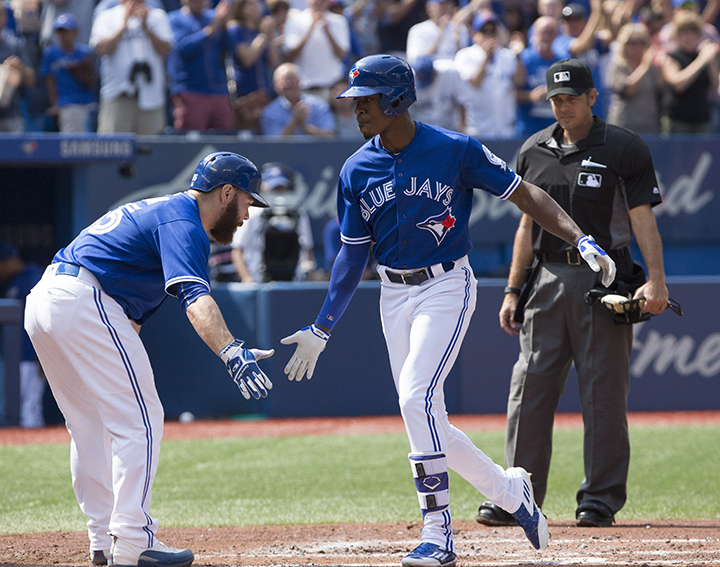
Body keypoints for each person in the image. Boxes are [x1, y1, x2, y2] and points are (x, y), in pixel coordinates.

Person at [280, 53, 617, 567]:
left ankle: (438, 533)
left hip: (445, 286)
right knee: (424, 414)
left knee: (416, 398)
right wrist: (322, 328)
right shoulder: (356, 168)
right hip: (392, 294)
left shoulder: (453, 149)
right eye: (354, 101)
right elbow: (352, 254)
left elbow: (523, 192)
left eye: (366, 100)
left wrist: (581, 238)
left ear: (395, 99)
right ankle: (510, 492)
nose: (356, 110)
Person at [24, 152, 275, 567]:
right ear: (226, 192)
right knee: (140, 420)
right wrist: (232, 352)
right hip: (82, 300)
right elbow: (196, 300)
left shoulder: (165, 212)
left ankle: (104, 538)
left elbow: (130, 323)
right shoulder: (184, 221)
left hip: (48, 301)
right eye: (248, 200)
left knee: (91, 425)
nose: (248, 213)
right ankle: (133, 541)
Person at [475, 58, 668, 530]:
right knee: (529, 388)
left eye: (572, 99)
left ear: (592, 98)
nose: (563, 107)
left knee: (603, 393)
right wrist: (512, 290)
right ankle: (516, 495)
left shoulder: (624, 146)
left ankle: (599, 499)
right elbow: (526, 222)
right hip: (546, 278)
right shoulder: (533, 149)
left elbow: (642, 217)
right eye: (556, 100)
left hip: (605, 281)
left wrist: (657, 280)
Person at [90, 0, 173, 135]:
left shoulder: (157, 16)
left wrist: (146, 27)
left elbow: (165, 51)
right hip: (117, 94)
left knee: (152, 150)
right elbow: (101, 50)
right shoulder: (107, 16)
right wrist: (123, 25)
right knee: (114, 148)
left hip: (152, 96)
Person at [231, 162, 316, 282]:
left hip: (294, 282)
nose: (278, 192)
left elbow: (308, 249)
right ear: (264, 188)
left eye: (281, 188)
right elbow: (237, 251)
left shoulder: (299, 214)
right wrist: (246, 278)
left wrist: (309, 275)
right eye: (274, 188)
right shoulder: (253, 213)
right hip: (259, 282)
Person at [167, 0, 235, 132]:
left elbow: (230, 48)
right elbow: (183, 49)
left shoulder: (213, 17)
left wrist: (225, 26)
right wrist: (210, 30)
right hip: (190, 91)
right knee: (191, 142)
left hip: (219, 91)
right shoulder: (174, 19)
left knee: (224, 140)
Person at [454, 12, 522, 139]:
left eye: (493, 31)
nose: (489, 35)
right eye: (484, 31)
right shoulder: (465, 55)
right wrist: (486, 57)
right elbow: (475, 82)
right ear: (475, 35)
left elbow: (520, 81)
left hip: (505, 130)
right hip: (478, 130)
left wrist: (518, 55)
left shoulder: (507, 55)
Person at [0, 243, 45, 428]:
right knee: (15, 412)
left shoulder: (34, 277)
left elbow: (45, 317)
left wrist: (43, 354)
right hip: (14, 356)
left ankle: (36, 451)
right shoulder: (16, 280)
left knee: (28, 412)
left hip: (30, 357)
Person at [660, 10, 720, 134]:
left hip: (701, 119)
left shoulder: (704, 56)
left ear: (697, 33)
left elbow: (715, 85)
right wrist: (701, 60)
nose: (687, 35)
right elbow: (678, 85)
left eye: (691, 30)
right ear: (677, 34)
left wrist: (711, 61)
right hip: (677, 120)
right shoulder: (671, 56)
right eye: (683, 31)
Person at [226, 0, 280, 132]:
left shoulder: (259, 30)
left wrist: (270, 38)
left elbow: (274, 63)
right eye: (250, 4)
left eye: (257, 4)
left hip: (264, 92)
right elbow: (247, 59)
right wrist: (263, 36)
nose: (255, 8)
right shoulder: (235, 29)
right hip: (244, 92)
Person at [282, 0, 350, 102]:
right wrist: (310, 29)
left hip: (332, 87)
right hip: (304, 87)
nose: (319, 2)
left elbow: (342, 55)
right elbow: (290, 55)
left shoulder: (339, 21)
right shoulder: (294, 21)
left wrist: (328, 32)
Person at [40, 13, 97, 133]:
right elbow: (50, 81)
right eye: (60, 31)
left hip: (88, 101)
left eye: (67, 31)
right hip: (67, 103)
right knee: (72, 142)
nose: (63, 35)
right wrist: (55, 104)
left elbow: (93, 81)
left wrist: (80, 71)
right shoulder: (50, 53)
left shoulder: (85, 52)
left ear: (75, 32)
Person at [605, 22, 663, 133]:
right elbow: (629, 90)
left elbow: (660, 88)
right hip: (624, 125)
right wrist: (645, 65)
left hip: (649, 125)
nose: (635, 47)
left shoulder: (652, 68)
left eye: (640, 43)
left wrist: (661, 61)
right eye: (631, 43)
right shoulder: (618, 66)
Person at [515, 16, 566, 137]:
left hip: (556, 130)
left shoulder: (562, 61)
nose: (546, 37)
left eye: (550, 33)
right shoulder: (523, 59)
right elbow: (512, 93)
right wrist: (532, 96)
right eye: (543, 33)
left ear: (556, 36)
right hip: (529, 130)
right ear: (534, 34)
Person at [260, 61, 335, 136]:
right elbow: (274, 145)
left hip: (316, 148)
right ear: (276, 85)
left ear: (299, 82)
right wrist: (295, 120)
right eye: (285, 80)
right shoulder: (270, 112)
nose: (290, 84)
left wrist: (305, 127)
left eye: (293, 79)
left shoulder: (318, 105)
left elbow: (330, 135)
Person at [0, 4, 35, 133]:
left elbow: (31, 80)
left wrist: (19, 67)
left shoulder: (14, 44)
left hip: (11, 115)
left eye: (1, 14)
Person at [405, 0, 470, 64]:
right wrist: (440, 35)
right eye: (441, 5)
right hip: (432, 71)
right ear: (429, 8)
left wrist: (457, 43)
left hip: (453, 71)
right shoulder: (418, 30)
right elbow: (415, 61)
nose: (444, 8)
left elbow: (465, 61)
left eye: (447, 4)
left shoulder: (460, 29)